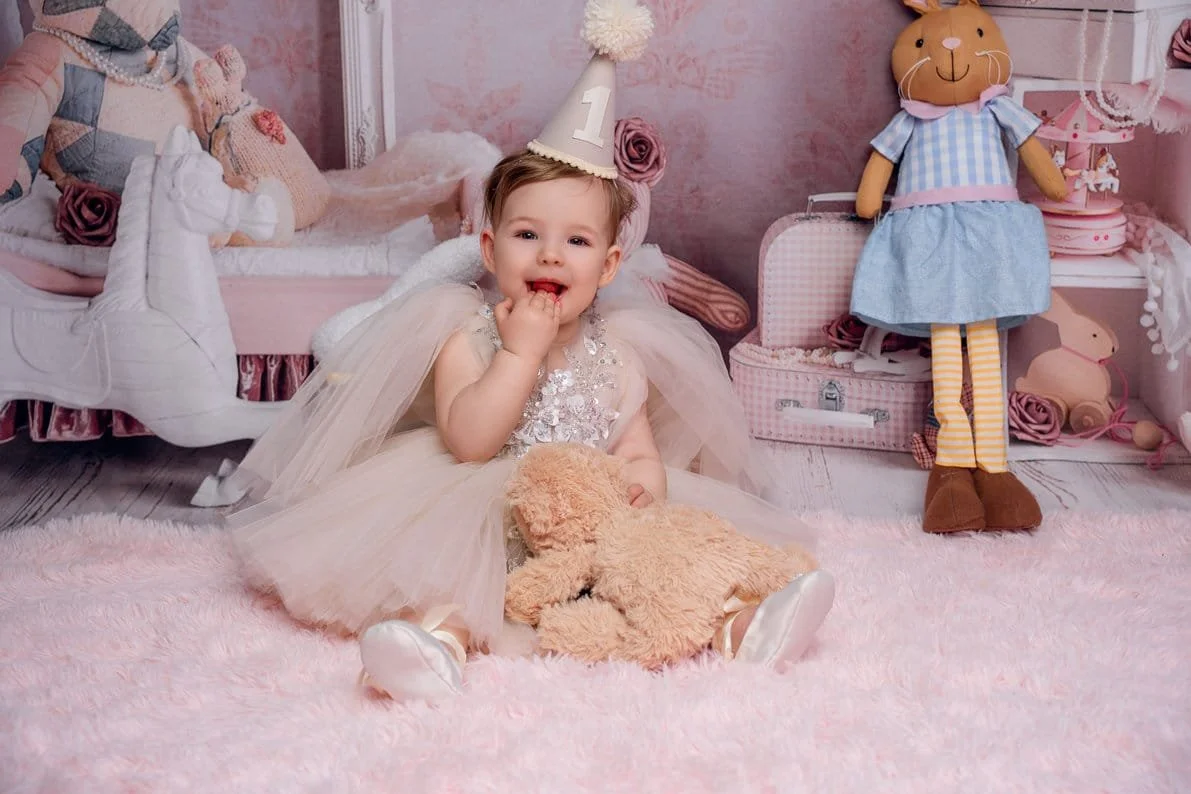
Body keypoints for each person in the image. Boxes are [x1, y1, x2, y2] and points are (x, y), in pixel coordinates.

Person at [224, 0, 835, 703]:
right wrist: (518, 355)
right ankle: (430, 647)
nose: (550, 253)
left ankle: (741, 624)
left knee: (667, 561)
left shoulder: (619, 350)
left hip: (593, 519)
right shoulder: (466, 331)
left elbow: (633, 442)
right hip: (483, 507)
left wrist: (645, 481)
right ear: (489, 248)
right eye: (526, 235)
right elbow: (470, 442)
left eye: (576, 241)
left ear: (607, 266)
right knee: (444, 577)